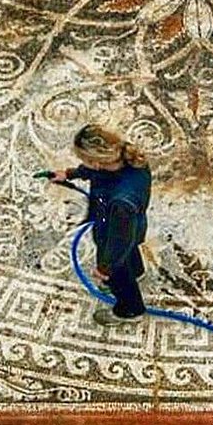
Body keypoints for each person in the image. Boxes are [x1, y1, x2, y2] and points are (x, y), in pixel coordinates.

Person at [53, 124, 152, 326]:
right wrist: (70, 174)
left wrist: (106, 268)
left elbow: (119, 242)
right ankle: (137, 272)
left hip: (115, 232)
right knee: (131, 250)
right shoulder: (127, 156)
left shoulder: (122, 201)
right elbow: (95, 171)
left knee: (119, 272)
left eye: (84, 160)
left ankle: (130, 310)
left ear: (96, 162)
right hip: (131, 226)